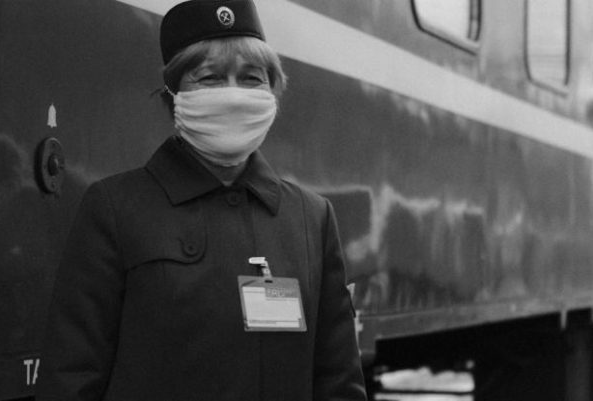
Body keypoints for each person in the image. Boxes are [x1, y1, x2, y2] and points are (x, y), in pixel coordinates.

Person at [36, 0, 367, 400]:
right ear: (172, 95)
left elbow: (338, 382)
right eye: (209, 78)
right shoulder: (113, 208)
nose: (233, 95)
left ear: (273, 93)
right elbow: (72, 377)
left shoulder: (311, 218)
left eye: (251, 78)